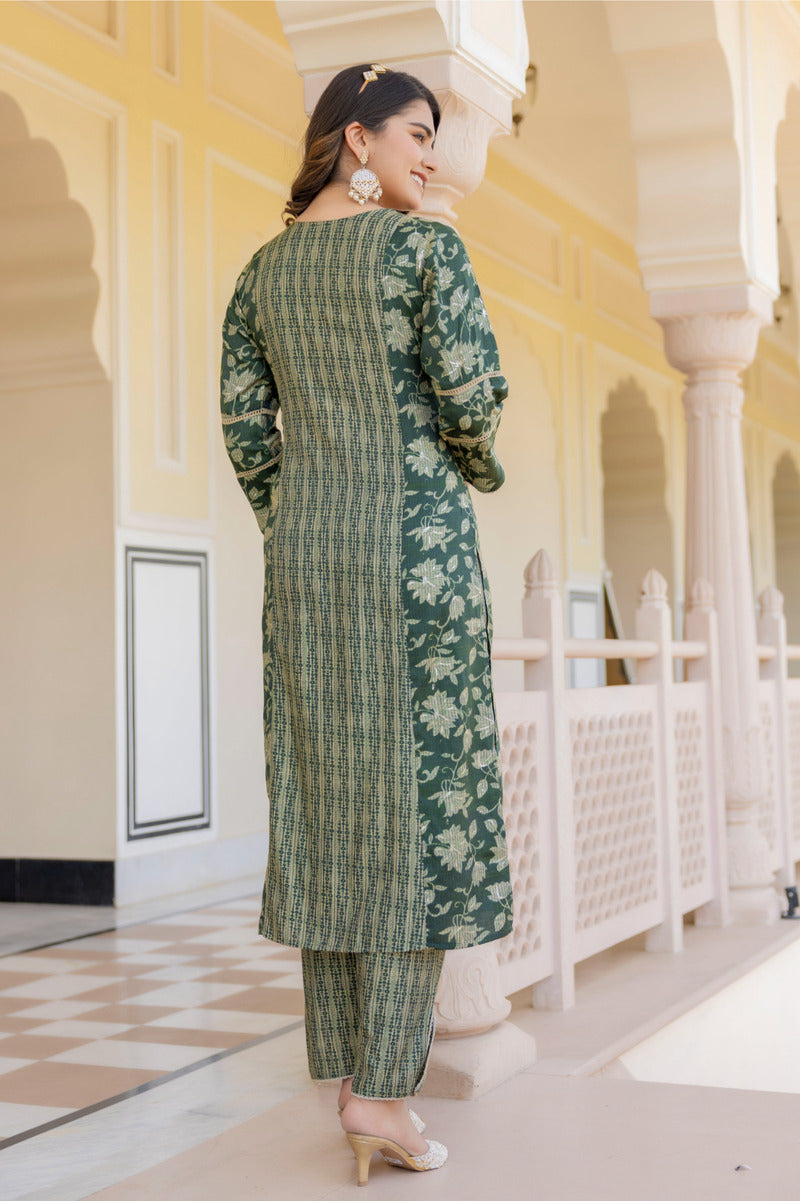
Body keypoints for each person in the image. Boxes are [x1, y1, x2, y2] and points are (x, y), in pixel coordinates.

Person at [220, 62, 514, 1187]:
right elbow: (473, 399)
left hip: (309, 564)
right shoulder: (426, 250)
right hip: (417, 554)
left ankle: (352, 1069)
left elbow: (249, 433)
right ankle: (381, 1093)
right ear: (356, 138)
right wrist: (464, 465)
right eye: (415, 134)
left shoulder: (260, 275)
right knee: (419, 815)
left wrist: (304, 522)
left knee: (337, 800)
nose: (429, 158)